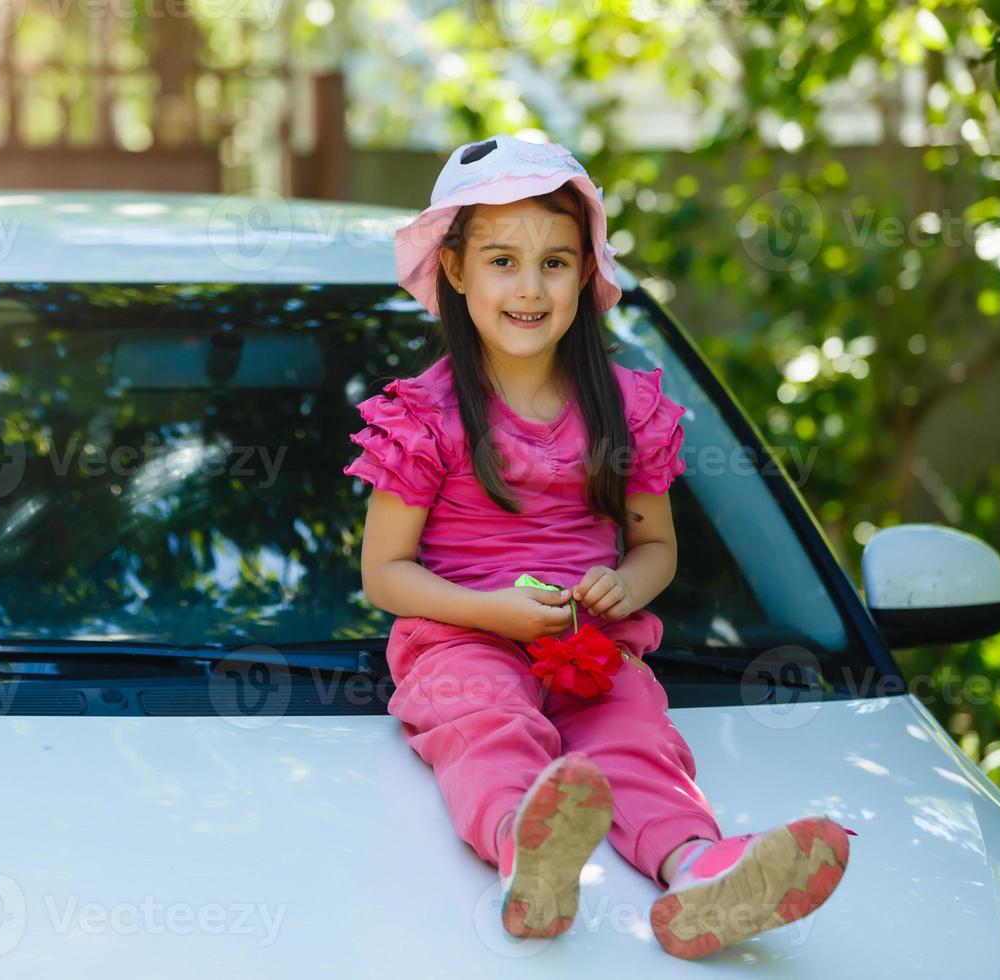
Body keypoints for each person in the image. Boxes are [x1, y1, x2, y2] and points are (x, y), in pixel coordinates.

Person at [342, 132, 852, 956]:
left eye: (554, 261)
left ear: (585, 271)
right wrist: (493, 612)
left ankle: (700, 869)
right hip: (458, 635)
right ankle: (528, 852)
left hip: (589, 640)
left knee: (637, 737)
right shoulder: (424, 416)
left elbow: (655, 547)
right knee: (486, 720)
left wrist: (627, 585)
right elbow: (384, 575)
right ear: (455, 268)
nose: (529, 286)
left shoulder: (625, 409)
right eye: (502, 260)